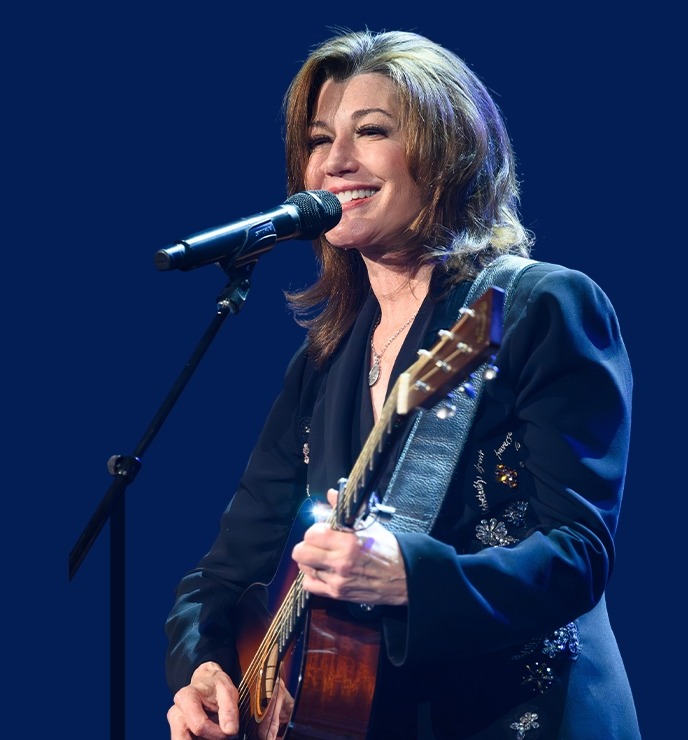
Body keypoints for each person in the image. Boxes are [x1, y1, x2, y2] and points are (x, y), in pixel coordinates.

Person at [163, 30, 638, 739]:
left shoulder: (536, 307)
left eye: (373, 131)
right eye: (320, 140)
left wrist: (412, 578)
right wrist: (204, 671)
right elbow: (224, 575)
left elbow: (578, 554)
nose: (336, 163)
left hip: (519, 715)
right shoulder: (324, 364)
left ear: (449, 154)